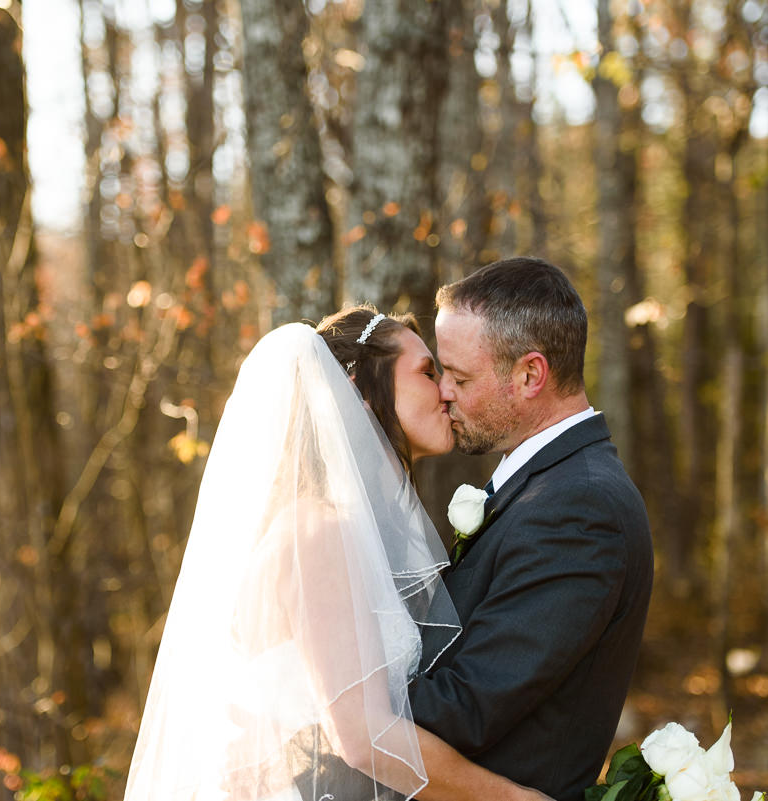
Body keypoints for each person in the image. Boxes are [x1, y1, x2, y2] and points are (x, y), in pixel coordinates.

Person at [123, 306, 548, 801]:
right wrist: (514, 799)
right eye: (428, 373)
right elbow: (363, 735)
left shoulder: (337, 526)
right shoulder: (318, 532)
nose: (447, 391)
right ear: (360, 393)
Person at [407, 258, 654, 801]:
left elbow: (465, 710)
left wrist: (334, 695)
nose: (443, 391)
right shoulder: (545, 486)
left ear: (529, 375)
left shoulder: (581, 509)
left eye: (460, 377)